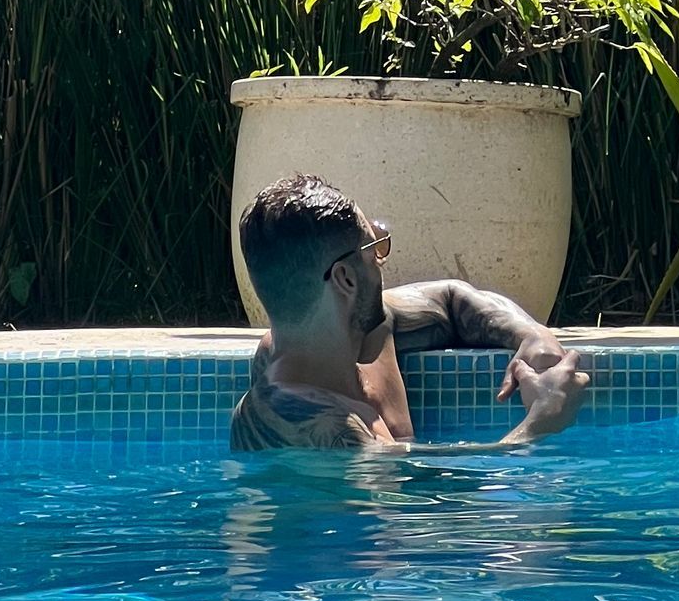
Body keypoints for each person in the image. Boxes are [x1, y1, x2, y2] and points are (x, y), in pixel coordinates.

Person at [229, 172, 589, 452]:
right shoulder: (303, 421)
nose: (382, 262)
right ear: (346, 279)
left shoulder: (370, 330)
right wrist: (544, 419)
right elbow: (411, 500)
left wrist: (531, 335)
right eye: (374, 249)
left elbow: (450, 298)